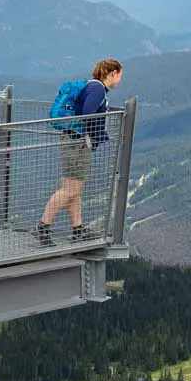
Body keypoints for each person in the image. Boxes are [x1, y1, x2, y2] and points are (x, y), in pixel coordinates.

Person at [37, 58, 123, 245]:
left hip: (71, 140)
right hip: (78, 144)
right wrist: (96, 136)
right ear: (113, 73)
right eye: (120, 76)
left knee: (74, 190)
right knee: (69, 191)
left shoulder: (90, 86)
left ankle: (78, 230)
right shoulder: (98, 89)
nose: (120, 81)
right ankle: (43, 226)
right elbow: (88, 112)